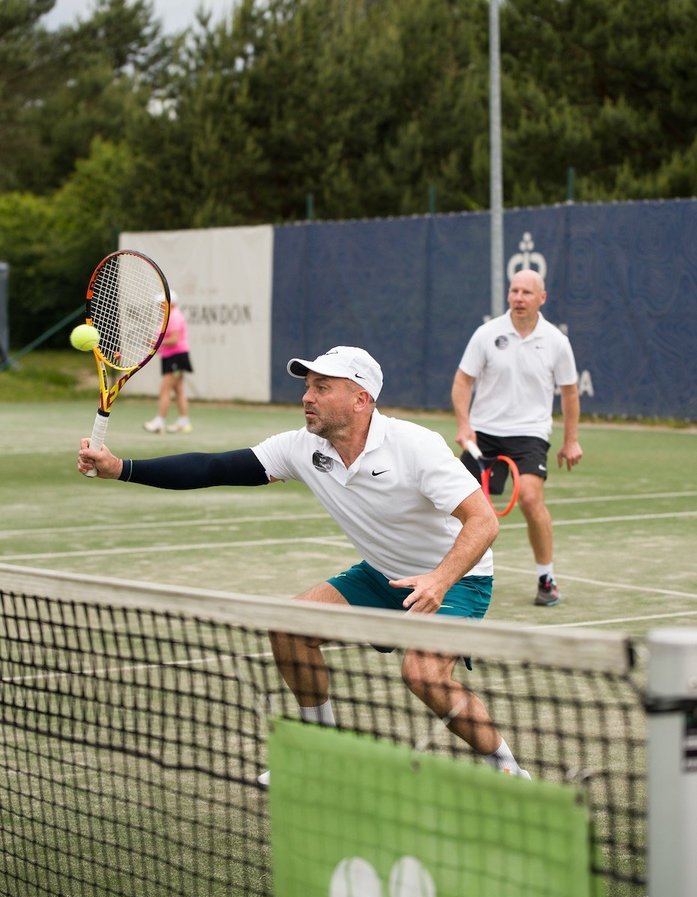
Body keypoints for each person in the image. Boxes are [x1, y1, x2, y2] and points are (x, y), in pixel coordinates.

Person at [78, 345, 529, 780]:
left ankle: (508, 769)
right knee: (289, 626)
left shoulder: (415, 445)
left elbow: (483, 521)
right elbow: (214, 467)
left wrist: (439, 580)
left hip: (458, 579)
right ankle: (320, 751)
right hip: (382, 574)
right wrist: (122, 468)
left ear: (360, 399)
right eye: (308, 386)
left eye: (321, 387)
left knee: (423, 675)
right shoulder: (302, 448)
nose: (307, 397)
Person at [452, 269, 583, 607]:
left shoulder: (556, 341)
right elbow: (463, 381)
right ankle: (450, 573)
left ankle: (546, 577)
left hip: (529, 434)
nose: (518, 298)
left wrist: (571, 440)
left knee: (529, 498)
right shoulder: (487, 334)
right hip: (484, 434)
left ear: (542, 298)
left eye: (526, 292)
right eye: (514, 291)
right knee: (456, 505)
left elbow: (570, 393)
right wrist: (464, 425)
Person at [144, 290, 194, 434]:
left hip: (176, 357)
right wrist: (156, 344)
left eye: (162, 303)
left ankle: (159, 422)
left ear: (171, 303)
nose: (160, 305)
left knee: (165, 389)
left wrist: (156, 343)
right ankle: (184, 422)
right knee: (178, 390)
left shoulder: (174, 316)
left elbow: (174, 339)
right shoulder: (169, 316)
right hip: (172, 357)